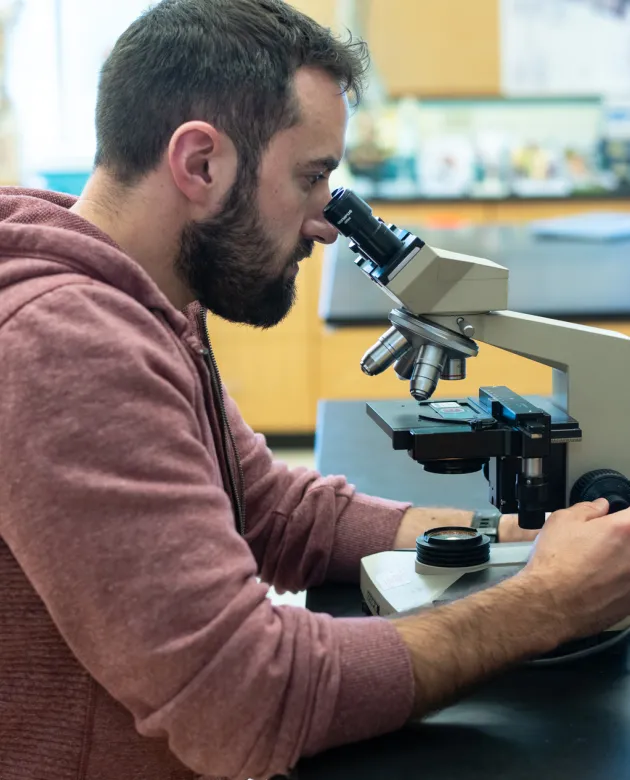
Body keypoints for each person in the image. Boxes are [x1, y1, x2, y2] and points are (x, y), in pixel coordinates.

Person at [2, 1, 630, 779]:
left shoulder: (137, 301)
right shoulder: (69, 344)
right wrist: (545, 604)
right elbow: (246, 698)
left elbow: (269, 509)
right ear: (200, 163)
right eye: (311, 178)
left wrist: (514, 541)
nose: (325, 224)